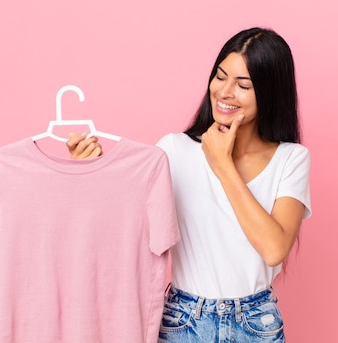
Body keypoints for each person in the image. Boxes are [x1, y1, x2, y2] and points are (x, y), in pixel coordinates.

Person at [67, 27, 311, 342]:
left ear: (269, 92)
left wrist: (222, 163)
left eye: (243, 85)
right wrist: (89, 172)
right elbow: (121, 227)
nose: (224, 92)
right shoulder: (173, 150)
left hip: (255, 324)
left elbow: (273, 248)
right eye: (220, 76)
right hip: (184, 322)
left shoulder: (291, 159)